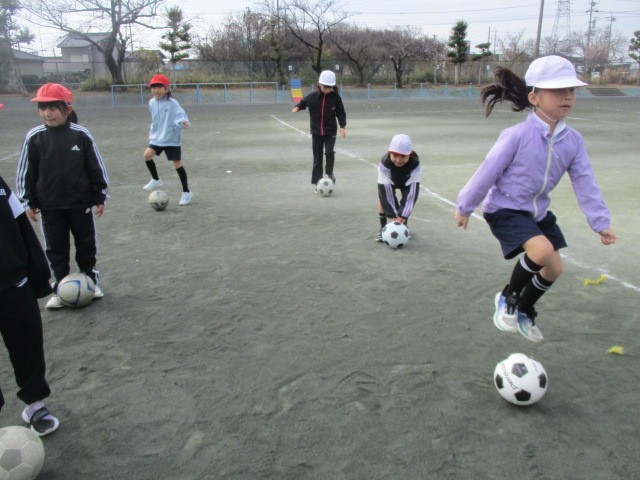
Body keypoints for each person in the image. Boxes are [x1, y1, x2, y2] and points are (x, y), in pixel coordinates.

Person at [454, 55, 617, 343]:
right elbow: (488, 170)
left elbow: (585, 182)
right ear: (534, 97)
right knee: (541, 251)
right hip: (505, 208)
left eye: (571, 90)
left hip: (537, 213)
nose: (567, 96)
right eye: (558, 90)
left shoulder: (573, 141)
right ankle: (508, 297)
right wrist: (465, 206)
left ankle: (525, 310)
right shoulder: (516, 135)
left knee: (554, 268)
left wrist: (600, 222)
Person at [16, 83, 110, 310]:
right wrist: (28, 201)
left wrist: (100, 195)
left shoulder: (81, 135)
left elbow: (95, 167)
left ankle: (91, 281)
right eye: (42, 108)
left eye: (52, 108)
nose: (47, 113)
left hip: (80, 203)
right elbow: (26, 171)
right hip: (50, 205)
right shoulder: (35, 137)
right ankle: (60, 287)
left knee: (86, 244)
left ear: (67, 109)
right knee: (55, 248)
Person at [0, 167, 59, 436]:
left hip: (13, 280)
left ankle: (34, 404)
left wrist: (37, 274)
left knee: (27, 344)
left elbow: (19, 222)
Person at [291, 70, 347, 191]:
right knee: (317, 158)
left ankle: (330, 173)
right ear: (319, 84)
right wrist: (298, 107)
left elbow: (341, 113)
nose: (327, 89)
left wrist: (342, 126)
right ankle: (317, 183)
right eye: (325, 87)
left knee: (329, 152)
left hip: (330, 132)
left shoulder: (336, 98)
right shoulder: (312, 97)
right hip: (316, 133)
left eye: (329, 87)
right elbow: (303, 102)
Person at [142, 74, 192, 206]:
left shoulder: (172, 103)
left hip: (171, 138)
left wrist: (183, 122)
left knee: (177, 164)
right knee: (147, 155)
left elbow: (180, 116)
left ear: (166, 88)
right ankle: (156, 179)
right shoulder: (152, 103)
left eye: (159, 87)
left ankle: (186, 192)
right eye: (153, 87)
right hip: (157, 138)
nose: (156, 90)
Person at [375, 134, 422, 242]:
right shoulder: (385, 163)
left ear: (410, 154)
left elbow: (412, 193)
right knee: (382, 198)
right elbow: (385, 189)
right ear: (389, 153)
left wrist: (402, 215)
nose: (398, 160)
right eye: (395, 155)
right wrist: (393, 214)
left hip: (407, 181)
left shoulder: (415, 165)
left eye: (403, 156)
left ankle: (403, 225)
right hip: (390, 180)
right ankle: (383, 228)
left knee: (406, 201)